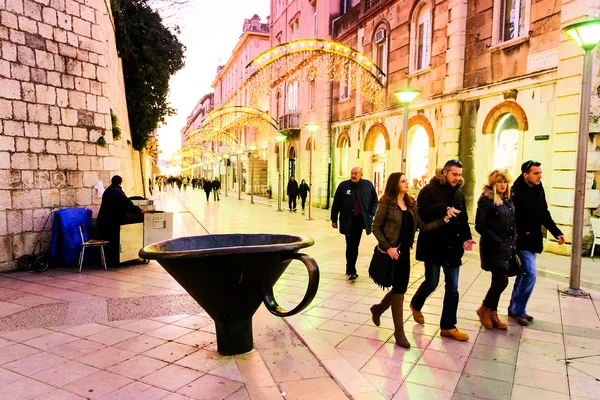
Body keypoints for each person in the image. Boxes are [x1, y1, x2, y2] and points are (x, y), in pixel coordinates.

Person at [370, 172, 455, 348]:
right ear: (395, 184)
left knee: (400, 287)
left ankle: (378, 309)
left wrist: (444, 219)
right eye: (403, 181)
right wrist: (388, 247)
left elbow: (422, 227)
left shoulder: (410, 203)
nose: (407, 183)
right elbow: (376, 227)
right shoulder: (387, 202)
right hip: (390, 252)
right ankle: (399, 332)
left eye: (406, 180)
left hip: (404, 253)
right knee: (399, 289)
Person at [410, 159, 475, 341]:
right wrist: (443, 209)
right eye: (454, 174)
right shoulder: (429, 190)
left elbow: (463, 218)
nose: (457, 178)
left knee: (452, 287)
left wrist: (467, 237)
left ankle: (448, 326)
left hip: (453, 246)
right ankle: (416, 303)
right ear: (445, 172)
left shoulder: (459, 194)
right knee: (432, 282)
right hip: (433, 244)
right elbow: (422, 213)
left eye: (459, 175)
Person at [509, 160, 565, 325]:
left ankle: (514, 308)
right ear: (525, 174)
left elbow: (544, 213)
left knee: (523, 274)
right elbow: (510, 216)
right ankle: (518, 310)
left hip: (534, 240)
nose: (539, 176)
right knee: (531, 274)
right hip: (521, 241)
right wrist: (518, 233)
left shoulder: (539, 188)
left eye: (540, 173)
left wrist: (557, 232)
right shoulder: (516, 191)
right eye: (535, 173)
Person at [475, 170, 515, 330]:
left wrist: (514, 237)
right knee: (501, 280)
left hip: (507, 246)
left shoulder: (507, 199)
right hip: (493, 247)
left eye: (505, 182)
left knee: (498, 281)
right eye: (499, 182)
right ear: (493, 183)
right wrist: (496, 239)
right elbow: (480, 225)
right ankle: (484, 309)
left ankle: (493, 312)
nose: (503, 185)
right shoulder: (486, 200)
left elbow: (512, 221)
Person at [331, 166, 378, 280]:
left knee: (354, 245)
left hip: (359, 221)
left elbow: (374, 201)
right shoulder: (343, 186)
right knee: (350, 244)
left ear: (361, 174)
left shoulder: (367, 185)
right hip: (348, 220)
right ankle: (352, 269)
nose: (353, 175)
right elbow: (336, 202)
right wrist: (334, 219)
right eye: (352, 173)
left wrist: (371, 214)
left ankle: (350, 267)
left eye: (356, 173)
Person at [97, 175, 146, 266]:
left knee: (109, 241)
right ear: (120, 182)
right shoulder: (118, 192)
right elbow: (127, 204)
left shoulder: (108, 191)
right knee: (115, 241)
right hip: (113, 221)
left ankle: (108, 260)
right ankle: (116, 261)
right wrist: (139, 210)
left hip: (103, 220)